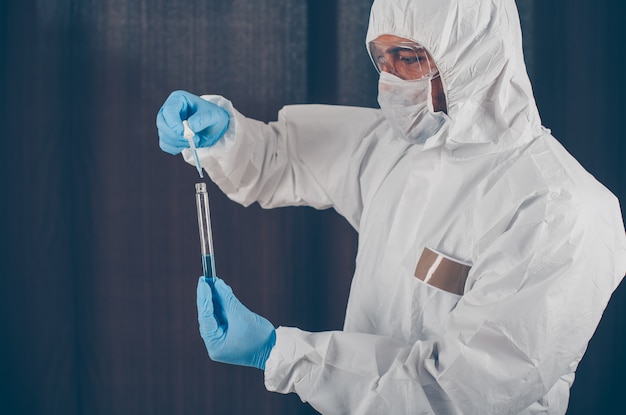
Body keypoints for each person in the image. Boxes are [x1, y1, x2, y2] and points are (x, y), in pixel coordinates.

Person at [155, 0, 626, 413]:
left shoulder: (562, 211)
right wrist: (223, 134)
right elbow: (287, 157)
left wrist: (278, 353)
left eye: (409, 57)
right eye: (381, 59)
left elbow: (457, 396)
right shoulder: (408, 146)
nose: (390, 82)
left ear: (473, 57)